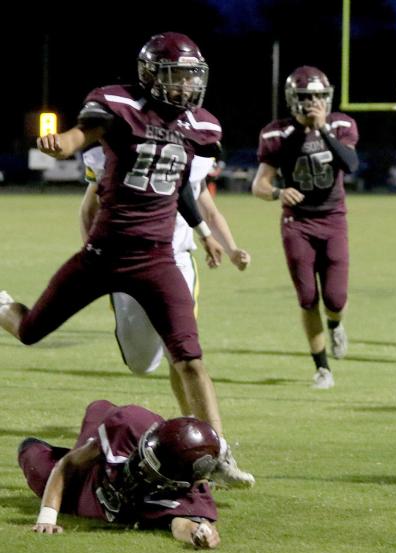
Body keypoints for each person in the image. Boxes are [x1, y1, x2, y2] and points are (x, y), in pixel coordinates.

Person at [0, 32, 253, 487]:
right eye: (175, 78)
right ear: (151, 76)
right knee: (31, 330)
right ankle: (1, 302)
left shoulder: (202, 127)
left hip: (158, 260)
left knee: (190, 358)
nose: (185, 88)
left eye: (191, 78)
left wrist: (203, 232)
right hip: (105, 254)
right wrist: (66, 142)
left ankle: (219, 452)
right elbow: (86, 132)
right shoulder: (118, 105)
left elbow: (179, 189)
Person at [82, 146, 251, 415]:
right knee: (141, 363)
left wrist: (231, 249)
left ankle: (196, 430)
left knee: (183, 355)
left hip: (177, 260)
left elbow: (207, 210)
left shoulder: (193, 151)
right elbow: (89, 209)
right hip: (129, 262)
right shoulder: (114, 149)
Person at [252, 66, 359, 389]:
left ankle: (336, 324)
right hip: (297, 222)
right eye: (305, 96)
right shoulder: (275, 133)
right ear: (292, 100)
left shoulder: (341, 125)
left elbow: (351, 165)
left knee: (336, 299)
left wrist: (322, 129)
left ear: (327, 98)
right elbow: (259, 184)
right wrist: (277, 192)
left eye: (318, 96)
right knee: (308, 297)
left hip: (333, 219)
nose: (312, 101)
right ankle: (322, 368)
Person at [20, 400, 224, 549]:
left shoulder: (190, 493)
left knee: (33, 452)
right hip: (86, 479)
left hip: (88, 501)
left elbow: (182, 524)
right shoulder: (130, 428)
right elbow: (70, 463)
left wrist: (198, 535)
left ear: (178, 484)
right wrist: (47, 517)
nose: (140, 466)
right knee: (31, 453)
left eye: (151, 469)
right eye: (145, 455)